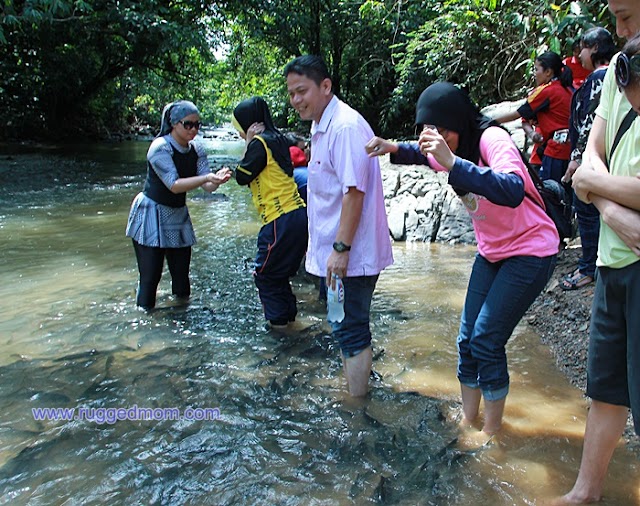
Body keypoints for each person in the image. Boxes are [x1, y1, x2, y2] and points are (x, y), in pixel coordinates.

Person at [366, 82, 559, 440]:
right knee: (466, 339)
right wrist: (391, 147)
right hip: (493, 251)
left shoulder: (491, 140)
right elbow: (421, 154)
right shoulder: (447, 147)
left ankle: (491, 431)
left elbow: (513, 189)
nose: (437, 138)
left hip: (532, 250)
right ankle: (469, 420)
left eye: (442, 130)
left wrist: (454, 162)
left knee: (486, 339)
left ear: (459, 122)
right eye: (430, 131)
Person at [551, 1, 640, 500]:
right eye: (614, 16)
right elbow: (589, 160)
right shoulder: (617, 73)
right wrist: (612, 210)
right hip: (613, 254)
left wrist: (594, 187)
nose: (618, 30)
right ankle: (585, 492)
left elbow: (589, 176)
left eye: (626, 16)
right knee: (606, 388)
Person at [284, 55, 393, 397]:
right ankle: (354, 390)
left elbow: (354, 192)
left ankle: (356, 407)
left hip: (350, 254)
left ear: (325, 86)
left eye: (302, 91)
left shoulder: (344, 126)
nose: (296, 100)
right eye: (291, 94)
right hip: (338, 253)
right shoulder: (322, 125)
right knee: (341, 324)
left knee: (351, 328)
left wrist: (340, 250)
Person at [125, 100, 232, 310]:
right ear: (174, 124)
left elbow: (207, 186)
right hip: (151, 213)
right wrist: (206, 179)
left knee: (182, 275)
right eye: (188, 124)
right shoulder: (160, 148)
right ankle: (144, 322)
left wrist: (217, 180)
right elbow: (173, 185)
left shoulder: (197, 149)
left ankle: (182, 317)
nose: (193, 129)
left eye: (197, 125)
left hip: (177, 214)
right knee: (150, 277)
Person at [231, 96, 308, 329]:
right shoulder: (279, 139)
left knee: (265, 276)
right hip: (298, 214)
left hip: (279, 218)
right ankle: (291, 324)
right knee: (279, 274)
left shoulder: (259, 143)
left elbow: (242, 176)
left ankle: (280, 333)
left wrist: (248, 143)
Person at [560, 27, 617, 291]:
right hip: (607, 158)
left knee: (585, 209)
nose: (579, 55)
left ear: (594, 49)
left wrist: (576, 158)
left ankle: (588, 268)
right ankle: (595, 264)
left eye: (582, 48)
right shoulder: (617, 76)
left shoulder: (599, 79)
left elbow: (589, 122)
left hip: (591, 159)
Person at [494, 51, 574, 185]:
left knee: (549, 194)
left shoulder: (547, 91)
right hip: (571, 152)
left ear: (548, 72)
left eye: (536, 69)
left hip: (556, 152)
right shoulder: (569, 89)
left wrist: (489, 122)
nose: (534, 73)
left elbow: (518, 113)